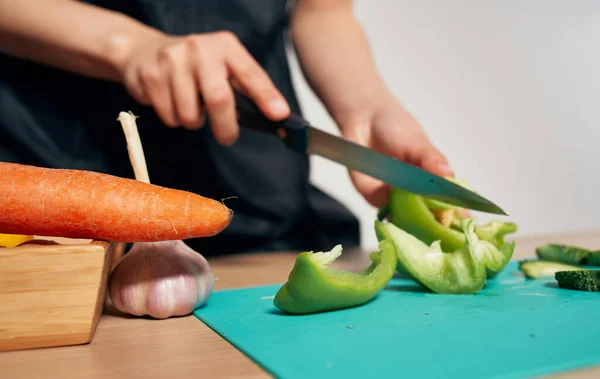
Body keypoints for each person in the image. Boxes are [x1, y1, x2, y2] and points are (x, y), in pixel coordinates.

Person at [0, 0, 454, 256]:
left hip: (255, 184)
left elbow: (322, 9)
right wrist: (129, 46)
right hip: (57, 175)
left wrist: (367, 107)